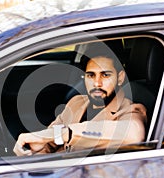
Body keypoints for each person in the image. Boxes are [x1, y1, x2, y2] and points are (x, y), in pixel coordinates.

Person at [13, 43, 147, 156]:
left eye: (105, 75)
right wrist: (29, 151)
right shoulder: (76, 102)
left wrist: (65, 134)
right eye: (91, 75)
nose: (96, 83)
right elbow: (49, 142)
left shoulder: (130, 110)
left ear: (120, 78)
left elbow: (133, 135)